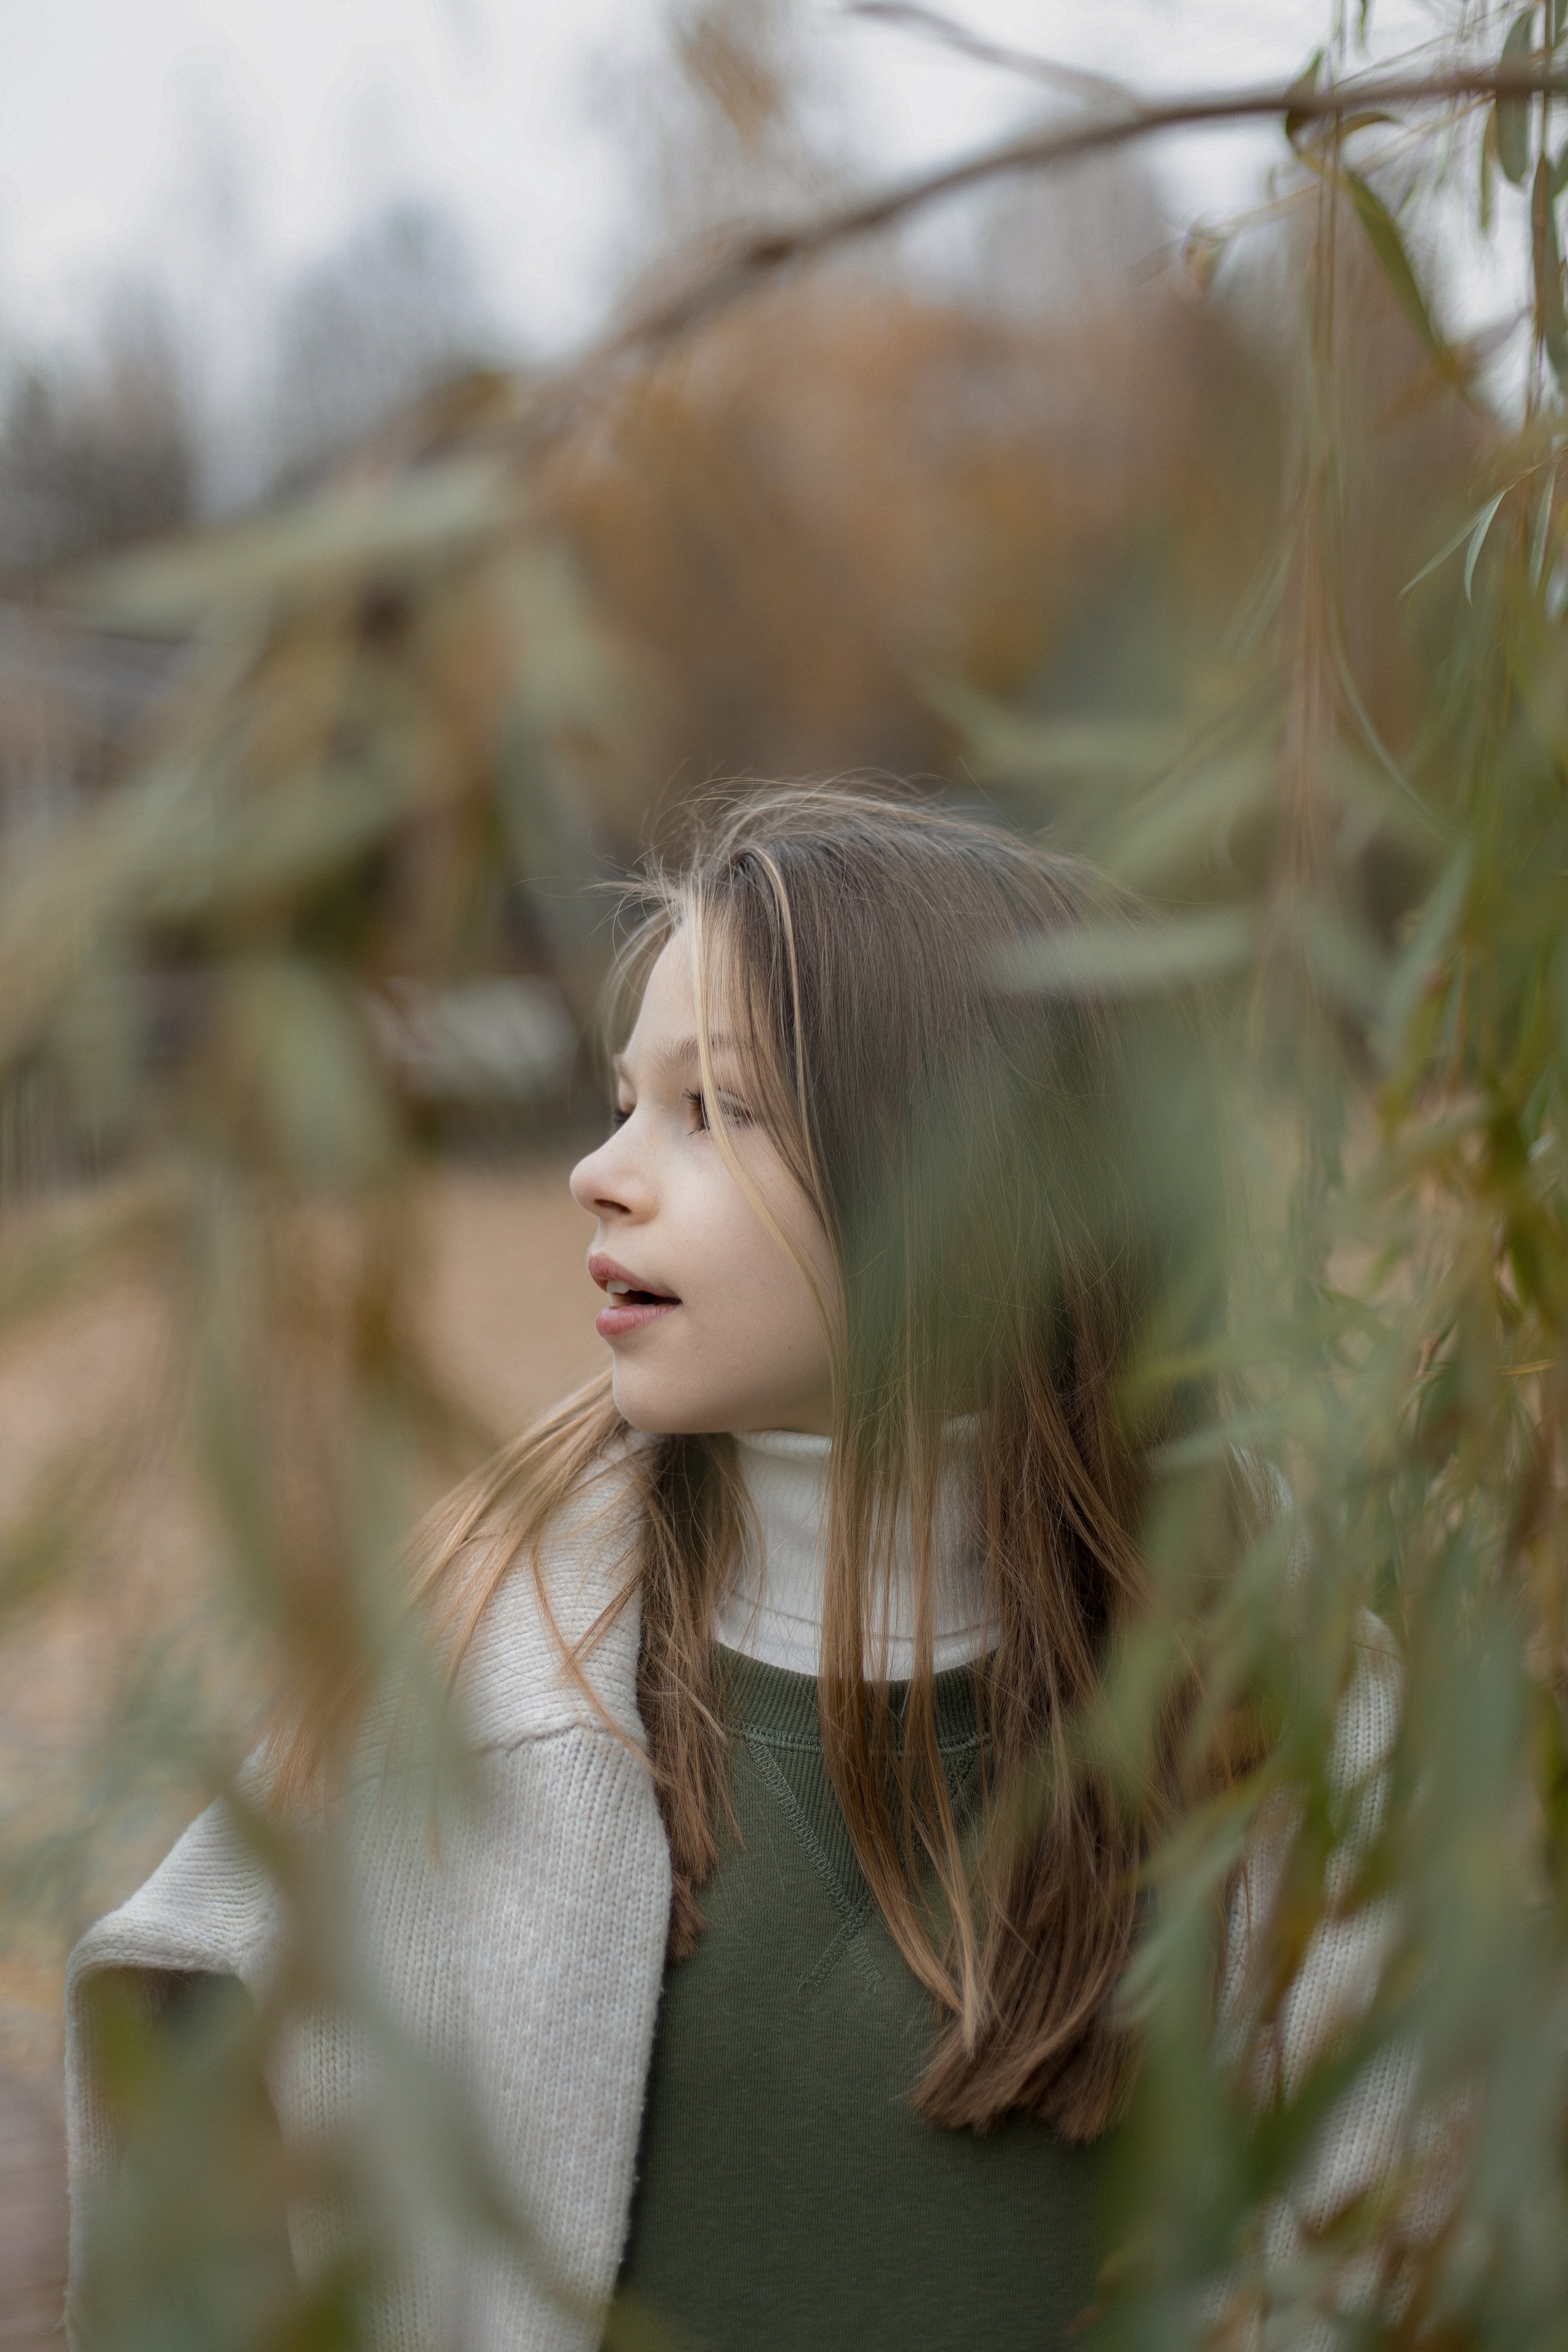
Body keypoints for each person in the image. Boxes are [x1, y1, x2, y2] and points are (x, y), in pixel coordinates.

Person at [65, 786, 1292, 2352]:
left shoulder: (1298, 1732)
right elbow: (190, 2126)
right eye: (623, 1100)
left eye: (712, 1110)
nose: (601, 1170)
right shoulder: (453, 1693)